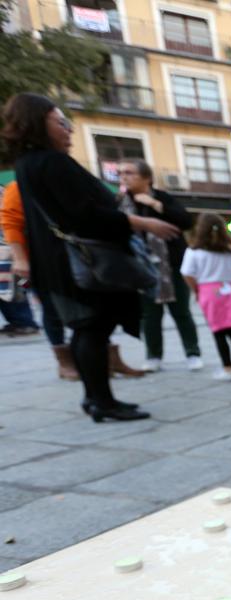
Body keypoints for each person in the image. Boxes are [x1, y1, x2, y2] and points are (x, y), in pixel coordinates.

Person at [5, 93, 180, 421]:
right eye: (60, 123)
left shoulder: (29, 164)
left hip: (61, 261)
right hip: (79, 262)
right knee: (93, 329)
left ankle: (97, 397)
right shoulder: (50, 163)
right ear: (38, 123)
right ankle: (101, 401)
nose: (68, 130)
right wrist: (143, 222)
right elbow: (85, 214)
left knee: (89, 330)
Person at [119, 159, 202, 372]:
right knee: (149, 314)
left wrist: (155, 205)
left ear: (146, 178)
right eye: (121, 173)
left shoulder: (163, 198)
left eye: (129, 173)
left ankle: (192, 352)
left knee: (181, 311)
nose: (124, 177)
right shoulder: (120, 203)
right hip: (140, 266)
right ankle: (153, 355)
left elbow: (186, 221)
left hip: (171, 265)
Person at [180, 213, 231, 381]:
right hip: (229, 292)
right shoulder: (230, 251)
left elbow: (187, 272)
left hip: (208, 293)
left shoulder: (193, 252)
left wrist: (196, 288)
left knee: (219, 333)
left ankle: (228, 368)